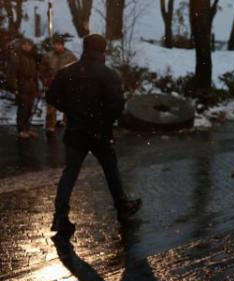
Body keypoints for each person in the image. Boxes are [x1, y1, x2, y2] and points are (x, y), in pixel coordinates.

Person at [47, 33, 141, 237]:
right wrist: (104, 120)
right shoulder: (109, 75)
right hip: (100, 132)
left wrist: (71, 109)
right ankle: (122, 208)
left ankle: (60, 216)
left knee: (69, 173)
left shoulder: (68, 72)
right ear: (103, 50)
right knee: (111, 171)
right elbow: (116, 105)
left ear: (84, 47)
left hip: (76, 131)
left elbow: (51, 96)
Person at [40, 35, 78, 133]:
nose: (57, 46)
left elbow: (76, 70)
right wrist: (45, 79)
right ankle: (50, 126)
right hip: (52, 84)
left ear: (62, 45)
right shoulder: (48, 56)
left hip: (65, 84)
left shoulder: (70, 56)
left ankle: (67, 124)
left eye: (59, 44)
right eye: (55, 44)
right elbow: (42, 70)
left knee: (68, 105)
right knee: (51, 106)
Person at [6, 38, 41, 138]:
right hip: (22, 86)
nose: (27, 47)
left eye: (29, 45)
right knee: (23, 108)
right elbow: (12, 73)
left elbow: (35, 74)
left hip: (31, 86)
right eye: (25, 45)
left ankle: (27, 128)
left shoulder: (31, 57)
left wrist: (36, 86)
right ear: (22, 45)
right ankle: (21, 129)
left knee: (30, 108)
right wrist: (14, 87)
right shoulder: (17, 57)